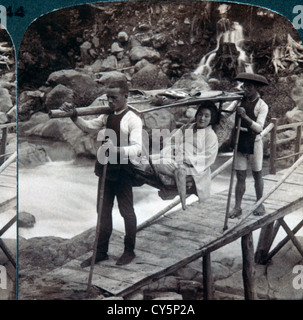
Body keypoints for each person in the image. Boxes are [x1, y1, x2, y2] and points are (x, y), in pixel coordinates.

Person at [60, 77, 143, 266]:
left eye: (114, 98)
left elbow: (138, 148)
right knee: (103, 211)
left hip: (123, 170)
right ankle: (101, 252)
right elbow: (89, 127)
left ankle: (129, 250)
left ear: (125, 96)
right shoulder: (107, 115)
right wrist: (74, 116)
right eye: (108, 98)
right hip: (105, 168)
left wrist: (116, 150)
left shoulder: (133, 119)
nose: (110, 102)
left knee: (126, 211)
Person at [138, 101, 219, 209]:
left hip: (192, 167)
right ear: (196, 114)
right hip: (174, 158)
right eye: (200, 114)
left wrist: (186, 159)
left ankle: (168, 178)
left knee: (157, 163)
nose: (202, 118)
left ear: (211, 118)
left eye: (206, 116)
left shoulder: (211, 136)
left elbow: (208, 157)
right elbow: (171, 141)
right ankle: (155, 172)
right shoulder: (187, 127)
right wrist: (171, 150)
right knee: (147, 159)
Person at [227, 72, 269, 218]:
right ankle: (237, 207)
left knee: (257, 174)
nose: (247, 89)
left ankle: (260, 204)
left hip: (255, 142)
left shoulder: (262, 105)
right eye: (245, 86)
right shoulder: (239, 100)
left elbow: (259, 128)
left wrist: (244, 116)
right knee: (240, 175)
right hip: (240, 139)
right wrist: (229, 100)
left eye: (250, 87)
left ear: (256, 88)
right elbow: (226, 113)